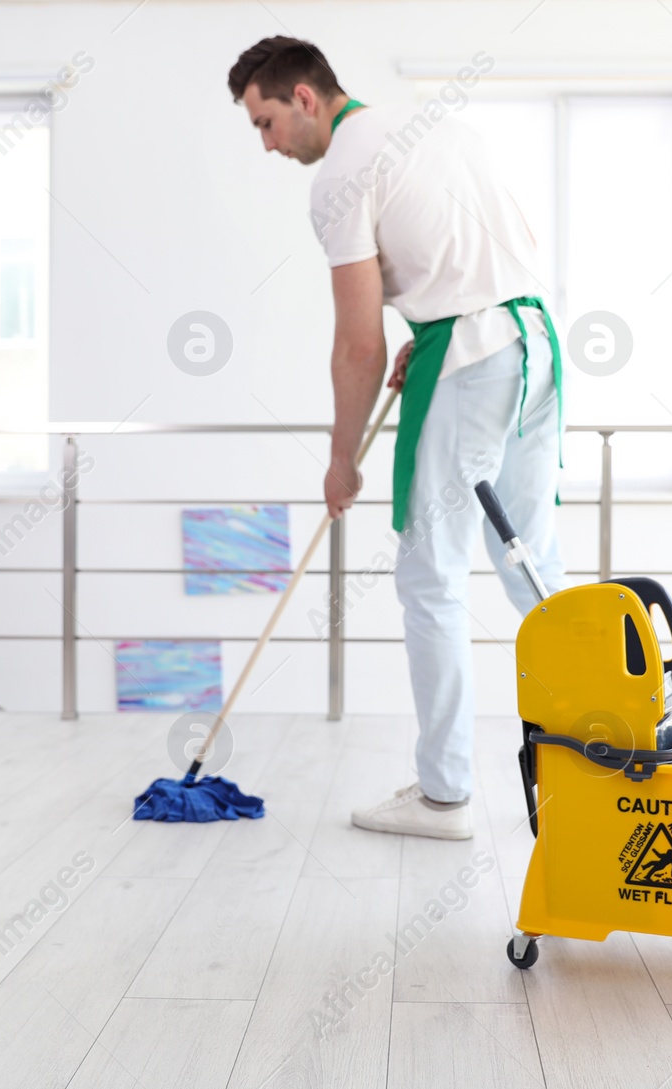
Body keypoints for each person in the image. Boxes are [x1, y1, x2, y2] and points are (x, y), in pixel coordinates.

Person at [228, 37, 566, 840]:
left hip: (471, 364)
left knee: (431, 577)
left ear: (305, 97)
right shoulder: (440, 129)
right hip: (537, 346)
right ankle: (610, 752)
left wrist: (341, 460)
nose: (269, 144)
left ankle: (446, 794)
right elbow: (477, 261)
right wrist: (438, 318)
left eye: (266, 122)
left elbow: (357, 346)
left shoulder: (342, 175)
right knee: (531, 561)